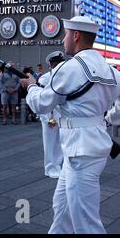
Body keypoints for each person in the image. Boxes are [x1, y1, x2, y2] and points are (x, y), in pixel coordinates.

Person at [21, 16, 120, 234]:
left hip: (79, 151)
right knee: (62, 207)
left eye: (66, 34)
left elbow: (40, 104)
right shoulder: (110, 69)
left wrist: (31, 86)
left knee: (85, 221)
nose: (64, 40)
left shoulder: (71, 68)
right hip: (87, 147)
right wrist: (111, 118)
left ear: (76, 35)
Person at [37, 51, 65, 179]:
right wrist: (47, 117)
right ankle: (49, 167)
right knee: (49, 142)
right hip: (50, 114)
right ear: (50, 65)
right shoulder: (45, 78)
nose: (58, 66)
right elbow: (44, 99)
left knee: (60, 141)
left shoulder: (65, 76)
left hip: (63, 114)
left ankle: (57, 165)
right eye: (55, 64)